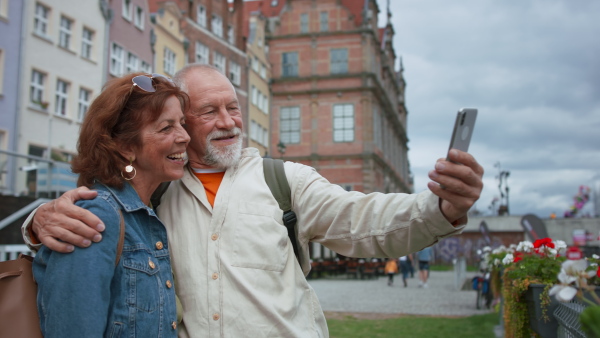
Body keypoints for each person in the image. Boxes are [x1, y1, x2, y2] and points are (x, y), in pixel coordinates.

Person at [23, 64, 484, 337]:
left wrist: (443, 208)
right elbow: (102, 216)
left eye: (234, 107)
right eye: (208, 112)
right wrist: (41, 220)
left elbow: (363, 222)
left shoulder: (282, 180)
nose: (228, 122)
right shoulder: (157, 193)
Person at [31, 73, 191, 336]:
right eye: (167, 127)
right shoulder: (98, 216)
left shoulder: (147, 211)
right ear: (126, 147)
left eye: (182, 124)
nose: (185, 136)